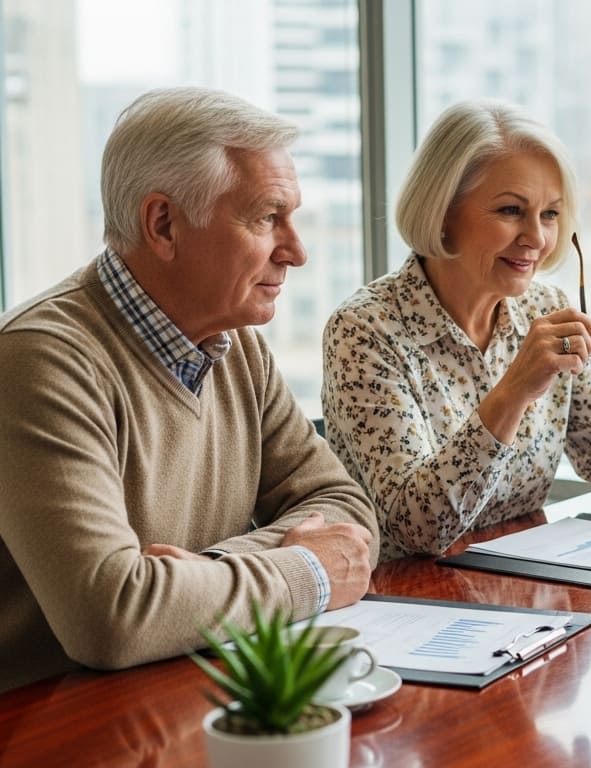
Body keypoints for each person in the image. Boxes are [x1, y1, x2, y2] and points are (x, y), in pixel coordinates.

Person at [0, 87, 378, 693]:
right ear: (164, 224)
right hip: (57, 726)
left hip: (188, 690)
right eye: (265, 217)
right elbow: (112, 616)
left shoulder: (236, 345)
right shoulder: (40, 360)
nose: (297, 251)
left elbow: (346, 511)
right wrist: (305, 571)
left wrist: (208, 573)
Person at [322, 99, 591, 561]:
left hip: (527, 595)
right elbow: (418, 530)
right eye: (511, 210)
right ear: (442, 211)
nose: (537, 238)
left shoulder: (545, 309)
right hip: (410, 602)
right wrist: (512, 394)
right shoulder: (365, 331)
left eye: (550, 214)